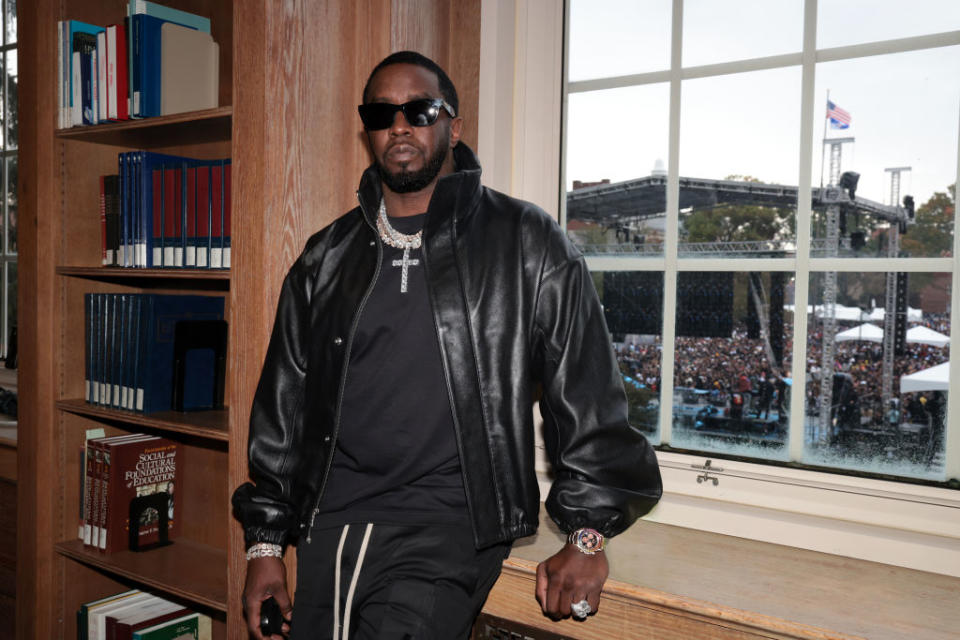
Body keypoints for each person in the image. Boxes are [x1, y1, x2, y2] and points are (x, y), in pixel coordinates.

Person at [231, 51, 662, 640]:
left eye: (420, 109)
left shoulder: (527, 243)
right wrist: (264, 546)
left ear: (453, 126)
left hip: (451, 524)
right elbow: (282, 413)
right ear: (369, 130)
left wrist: (588, 534)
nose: (400, 125)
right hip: (333, 522)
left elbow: (586, 397)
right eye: (382, 113)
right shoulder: (325, 257)